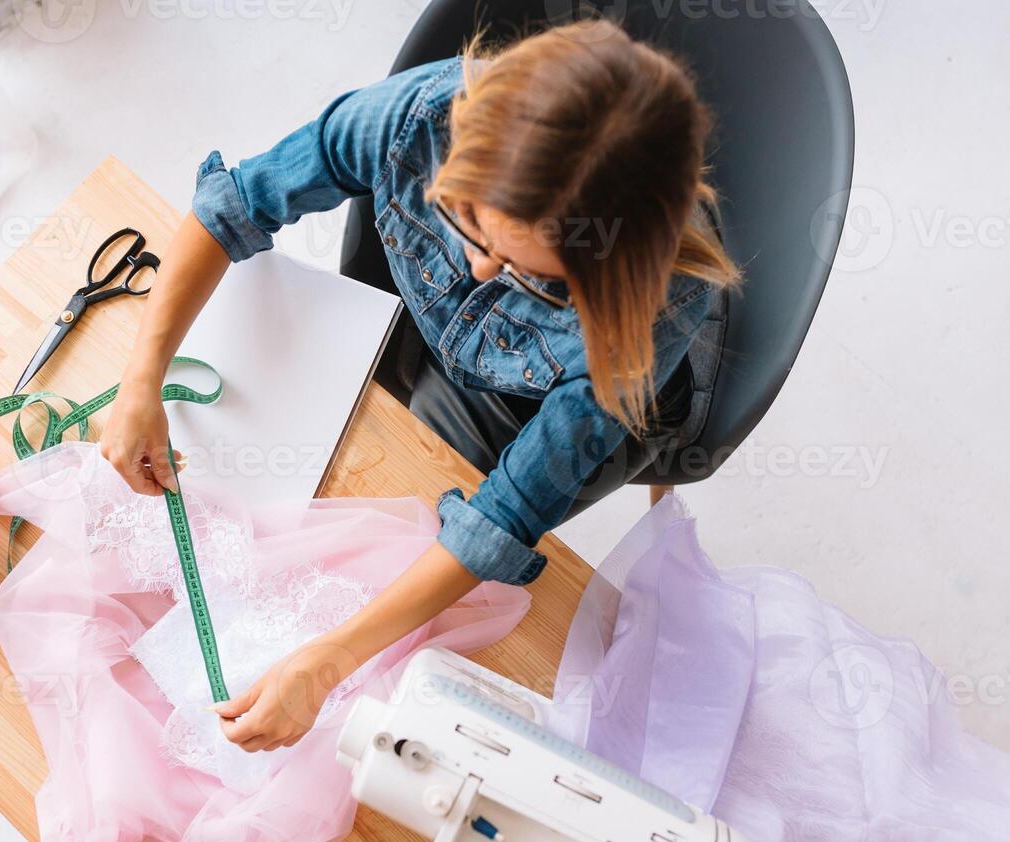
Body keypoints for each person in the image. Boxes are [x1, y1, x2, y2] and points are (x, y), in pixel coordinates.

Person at [100, 22, 741, 753]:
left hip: (548, 400)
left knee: (389, 559)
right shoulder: (416, 114)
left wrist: (329, 661)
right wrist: (142, 376)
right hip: (423, 326)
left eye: (533, 273)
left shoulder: (649, 312)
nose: (476, 269)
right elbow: (235, 204)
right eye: (467, 220)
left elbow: (505, 515)